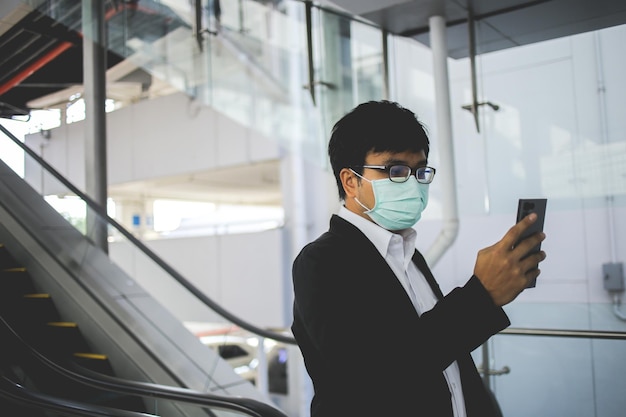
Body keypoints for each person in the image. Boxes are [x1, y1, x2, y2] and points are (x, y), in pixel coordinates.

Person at [290, 100, 546, 416]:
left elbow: (445, 359)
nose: (412, 183)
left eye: (420, 171)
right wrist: (481, 296)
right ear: (351, 181)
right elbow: (371, 378)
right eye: (396, 170)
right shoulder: (321, 262)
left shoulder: (409, 255)